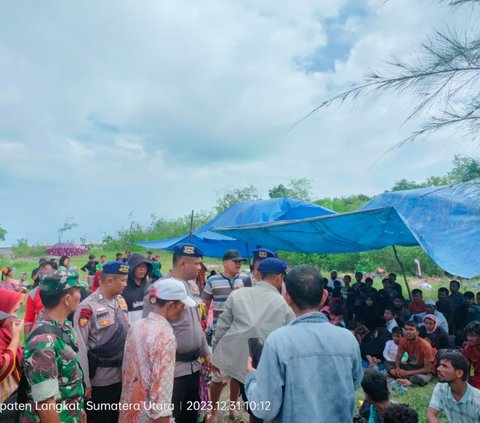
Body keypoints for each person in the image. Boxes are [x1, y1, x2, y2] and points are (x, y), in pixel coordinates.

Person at [245, 265, 363, 423]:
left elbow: (264, 408)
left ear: (287, 298)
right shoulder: (348, 339)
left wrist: (252, 378)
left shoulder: (278, 341)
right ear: (324, 296)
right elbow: (354, 381)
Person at [211, 258, 295, 423]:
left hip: (234, 356)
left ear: (259, 274)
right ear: (279, 277)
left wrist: (215, 352)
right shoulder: (283, 304)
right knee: (257, 409)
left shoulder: (237, 294)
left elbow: (222, 327)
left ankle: (215, 412)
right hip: (261, 364)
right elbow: (290, 336)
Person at [142, 243, 210, 423]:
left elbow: (196, 323)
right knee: (173, 417)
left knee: (190, 416)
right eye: (196, 264)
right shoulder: (159, 289)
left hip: (193, 367)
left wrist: (206, 351)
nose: (199, 268)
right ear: (182, 264)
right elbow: (151, 331)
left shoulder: (192, 287)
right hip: (173, 371)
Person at [120, 278, 197, 423]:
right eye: (182, 306)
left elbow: (126, 371)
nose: (183, 311)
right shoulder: (165, 336)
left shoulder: (136, 327)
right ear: (171, 305)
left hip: (129, 412)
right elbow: (162, 392)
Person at [20, 270, 88, 422]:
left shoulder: (62, 327)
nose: (81, 295)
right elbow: (45, 403)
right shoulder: (43, 342)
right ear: (67, 299)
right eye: (78, 290)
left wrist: (78, 410)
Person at [74, 261, 130, 423]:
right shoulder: (87, 307)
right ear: (109, 281)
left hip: (120, 377)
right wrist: (86, 383)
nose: (126, 284)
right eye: (122, 280)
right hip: (99, 381)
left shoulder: (120, 301)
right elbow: (81, 347)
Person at [427, 351, 480, 422]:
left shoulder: (477, 400)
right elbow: (431, 413)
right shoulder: (441, 388)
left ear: (459, 373)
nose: (438, 368)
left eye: (444, 366)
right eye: (440, 365)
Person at [0, 289, 24, 419]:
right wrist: (16, 338)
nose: (16, 316)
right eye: (13, 311)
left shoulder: (5, 329)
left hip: (13, 394)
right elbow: (2, 365)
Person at [389, 321, 435, 386]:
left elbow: (427, 370)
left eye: (411, 329)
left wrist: (407, 373)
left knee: (418, 379)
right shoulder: (403, 341)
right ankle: (400, 375)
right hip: (412, 366)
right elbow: (398, 357)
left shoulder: (426, 346)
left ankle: (406, 379)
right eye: (406, 329)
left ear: (418, 332)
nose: (408, 332)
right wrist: (397, 368)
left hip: (425, 372)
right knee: (387, 363)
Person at [24, 260, 57, 337]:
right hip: (39, 334)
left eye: (48, 273)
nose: (44, 276)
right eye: (41, 273)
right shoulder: (33, 293)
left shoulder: (64, 292)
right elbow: (29, 319)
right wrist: (26, 341)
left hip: (60, 334)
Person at [123, 253, 152, 323]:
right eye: (139, 266)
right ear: (131, 267)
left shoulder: (149, 287)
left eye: (144, 266)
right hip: (129, 327)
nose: (142, 269)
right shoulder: (123, 287)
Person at [463, 321, 480, 389]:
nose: (469, 338)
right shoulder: (467, 348)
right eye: (468, 335)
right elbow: (466, 369)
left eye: (473, 335)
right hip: (474, 379)